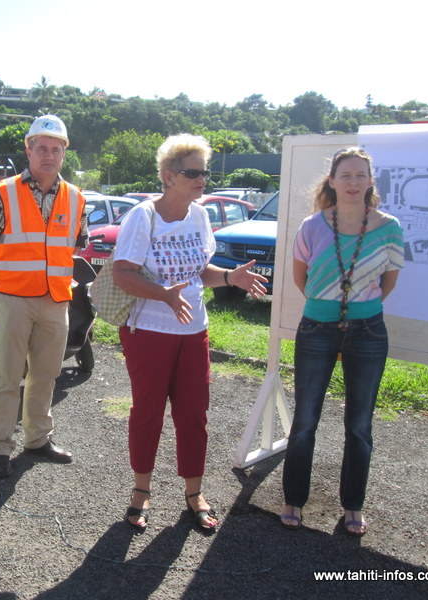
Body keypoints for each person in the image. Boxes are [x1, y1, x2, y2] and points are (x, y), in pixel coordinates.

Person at [112, 134, 267, 533]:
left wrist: (231, 277)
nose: (202, 180)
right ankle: (140, 493)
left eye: (205, 172)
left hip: (194, 331)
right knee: (147, 413)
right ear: (169, 176)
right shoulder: (142, 217)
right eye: (193, 172)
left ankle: (193, 492)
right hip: (148, 331)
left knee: (194, 414)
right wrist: (162, 294)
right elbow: (122, 273)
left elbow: (199, 270)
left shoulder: (199, 216)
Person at [281, 147, 403, 537]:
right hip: (316, 328)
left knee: (360, 424)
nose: (353, 182)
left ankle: (353, 505)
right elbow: (301, 278)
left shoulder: (389, 227)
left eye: (360, 175)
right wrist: (328, 306)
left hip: (368, 331)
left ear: (371, 181)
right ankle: (293, 499)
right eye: (345, 175)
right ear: (331, 181)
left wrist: (354, 309)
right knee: (305, 421)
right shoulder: (312, 226)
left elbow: (387, 283)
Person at [0, 115, 87, 477]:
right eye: (42, 148)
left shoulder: (76, 197)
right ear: (29, 149)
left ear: (64, 153)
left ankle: (38, 439)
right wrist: (12, 271)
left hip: (56, 299)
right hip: (15, 298)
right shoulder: (3, 191)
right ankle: (1, 446)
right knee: (7, 376)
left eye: (56, 149)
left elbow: (76, 245)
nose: (49, 156)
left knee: (46, 374)